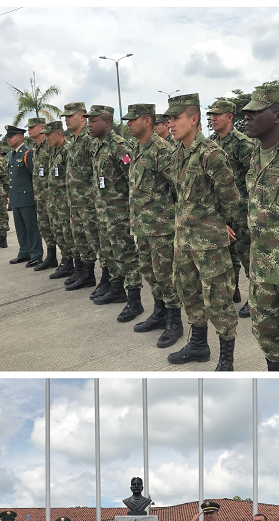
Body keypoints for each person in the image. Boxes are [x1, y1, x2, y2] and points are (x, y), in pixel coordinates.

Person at [165, 93, 241, 370]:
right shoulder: (177, 153)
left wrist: (221, 225)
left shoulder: (211, 154)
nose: (171, 124)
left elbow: (230, 198)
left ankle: (226, 359)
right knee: (190, 294)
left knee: (219, 300)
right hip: (183, 241)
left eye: (176, 118)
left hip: (209, 245)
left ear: (193, 119)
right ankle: (198, 345)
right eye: (169, 119)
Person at [242, 85, 279, 372]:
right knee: (267, 334)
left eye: (254, 111)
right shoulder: (256, 155)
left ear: (277, 116)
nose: (246, 116)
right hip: (262, 266)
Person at [121, 103, 183, 348]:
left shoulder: (162, 150)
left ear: (147, 121)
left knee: (166, 275)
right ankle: (159, 313)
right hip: (142, 225)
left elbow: (178, 187)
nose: (128, 123)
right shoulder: (137, 148)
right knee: (149, 271)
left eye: (132, 119)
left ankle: (174, 321)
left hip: (162, 227)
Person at [85, 104, 142, 317]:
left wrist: (130, 212)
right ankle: (116, 289)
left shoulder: (120, 147)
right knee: (109, 253)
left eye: (93, 121)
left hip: (119, 214)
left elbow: (133, 180)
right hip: (104, 212)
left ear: (107, 123)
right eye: (88, 121)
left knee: (126, 255)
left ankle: (134, 300)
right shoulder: (97, 146)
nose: (89, 125)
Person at [207, 99, 256, 317]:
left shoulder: (242, 143)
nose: (213, 118)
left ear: (230, 117)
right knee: (228, 256)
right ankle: (233, 290)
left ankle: (255, 300)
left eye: (218, 114)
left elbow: (256, 174)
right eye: (211, 115)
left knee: (247, 257)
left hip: (242, 210)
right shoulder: (212, 142)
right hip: (223, 211)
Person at [62, 102, 101, 291]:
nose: (67, 119)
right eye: (65, 116)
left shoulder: (89, 139)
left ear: (82, 116)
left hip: (89, 201)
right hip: (76, 201)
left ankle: (102, 278)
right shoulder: (75, 140)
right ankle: (85, 273)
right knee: (80, 239)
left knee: (95, 241)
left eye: (70, 115)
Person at [42, 122, 77, 281]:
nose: (46, 138)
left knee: (69, 235)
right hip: (55, 202)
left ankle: (76, 265)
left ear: (58, 134)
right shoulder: (54, 151)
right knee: (59, 233)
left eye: (49, 134)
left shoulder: (68, 150)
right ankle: (66, 261)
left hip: (66, 202)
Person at [5, 125, 44, 266]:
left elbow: (35, 176)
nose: (8, 140)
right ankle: (24, 252)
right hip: (16, 197)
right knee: (20, 227)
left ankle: (36, 254)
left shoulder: (28, 153)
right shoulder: (10, 155)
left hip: (27, 197)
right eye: (7, 137)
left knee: (31, 227)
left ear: (20, 137)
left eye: (11, 137)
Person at [28, 117, 58, 271]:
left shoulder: (50, 146)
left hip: (52, 194)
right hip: (41, 195)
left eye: (32, 127)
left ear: (41, 127)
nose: (29, 129)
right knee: (45, 227)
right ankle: (51, 256)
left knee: (59, 228)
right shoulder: (35, 147)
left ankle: (70, 261)